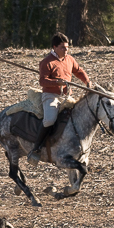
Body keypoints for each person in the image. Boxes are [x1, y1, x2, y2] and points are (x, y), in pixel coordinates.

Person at [28, 32, 91, 165]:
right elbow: (43, 81)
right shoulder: (46, 62)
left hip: (67, 96)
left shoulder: (70, 59)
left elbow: (78, 71)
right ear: (54, 47)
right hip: (51, 96)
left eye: (67, 47)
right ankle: (36, 149)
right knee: (50, 120)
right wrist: (57, 83)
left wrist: (87, 82)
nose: (66, 50)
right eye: (62, 47)